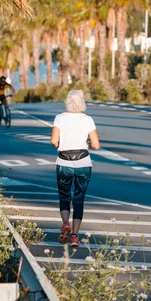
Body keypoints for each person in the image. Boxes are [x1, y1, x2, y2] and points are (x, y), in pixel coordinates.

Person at [50, 90, 100, 247]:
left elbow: (53, 141)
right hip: (83, 164)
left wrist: (61, 145)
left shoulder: (60, 118)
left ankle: (65, 223)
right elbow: (96, 145)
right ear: (82, 103)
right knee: (79, 199)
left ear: (67, 102)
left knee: (64, 195)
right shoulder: (88, 120)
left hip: (63, 163)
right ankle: (74, 236)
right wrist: (88, 144)